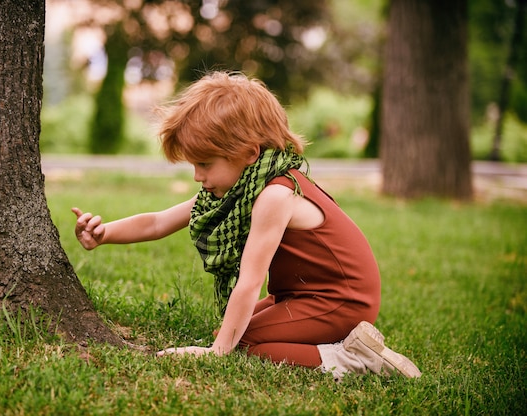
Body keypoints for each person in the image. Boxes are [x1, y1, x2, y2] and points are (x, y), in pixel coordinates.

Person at [72, 71, 421, 381]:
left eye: (205, 164)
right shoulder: (244, 187)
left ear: (249, 153)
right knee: (228, 329)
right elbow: (159, 222)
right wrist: (103, 234)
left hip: (341, 301)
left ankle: (351, 358)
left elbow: (250, 282)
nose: (197, 176)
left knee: (246, 343)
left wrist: (217, 353)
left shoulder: (273, 195)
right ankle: (340, 343)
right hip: (303, 295)